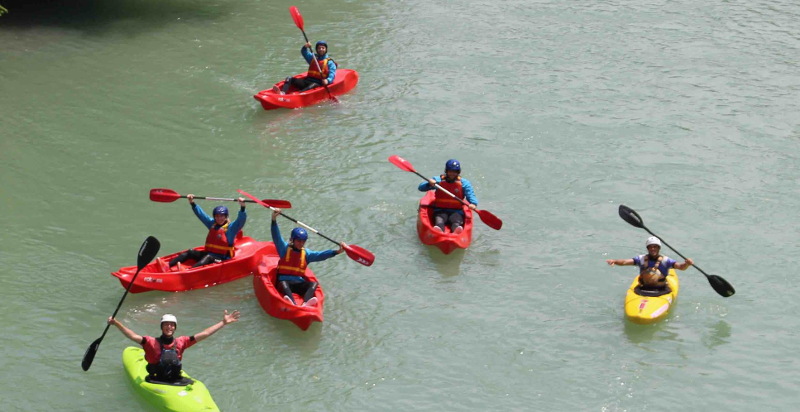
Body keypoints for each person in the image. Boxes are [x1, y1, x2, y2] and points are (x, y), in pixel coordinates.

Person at [108, 310, 240, 382]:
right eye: (166, 324)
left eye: (172, 325)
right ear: (162, 327)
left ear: (175, 328)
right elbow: (132, 335)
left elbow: (204, 334)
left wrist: (223, 323)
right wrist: (116, 323)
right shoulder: (150, 342)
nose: (169, 327)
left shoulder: (181, 342)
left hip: (175, 379)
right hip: (155, 380)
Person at [270, 208, 345, 306]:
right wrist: (273, 220)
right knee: (284, 284)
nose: (301, 243)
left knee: (313, 284)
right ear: (292, 240)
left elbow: (320, 255)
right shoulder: (284, 249)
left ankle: (305, 303)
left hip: (298, 284)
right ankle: (292, 303)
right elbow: (276, 236)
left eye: (303, 241)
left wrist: (337, 251)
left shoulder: (306, 254)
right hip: (283, 283)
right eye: (298, 241)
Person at [169, 195, 247, 269]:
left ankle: (189, 272)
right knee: (190, 252)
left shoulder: (231, 228)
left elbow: (240, 221)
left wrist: (242, 207)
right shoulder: (212, 224)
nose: (219, 218)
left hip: (222, 258)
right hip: (209, 253)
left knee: (208, 257)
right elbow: (201, 215)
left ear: (226, 217)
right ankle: (168, 265)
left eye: (221, 216)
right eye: (217, 216)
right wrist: (192, 202)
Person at [606, 236, 694, 290]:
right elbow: (625, 262)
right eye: (650, 247)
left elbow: (681, 267)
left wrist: (687, 264)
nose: (653, 249)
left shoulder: (665, 260)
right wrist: (615, 261)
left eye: (655, 247)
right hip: (643, 288)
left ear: (659, 248)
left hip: (661, 289)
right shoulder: (641, 259)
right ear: (647, 248)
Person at [417, 159, 478, 234]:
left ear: (458, 172)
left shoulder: (464, 183)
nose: (452, 174)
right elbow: (421, 188)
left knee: (456, 222)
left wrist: (473, 203)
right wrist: (429, 184)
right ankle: (438, 232)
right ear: (446, 171)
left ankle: (457, 232)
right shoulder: (438, 180)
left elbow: (470, 195)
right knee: (439, 222)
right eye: (450, 171)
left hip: (456, 211)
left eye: (455, 172)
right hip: (440, 210)